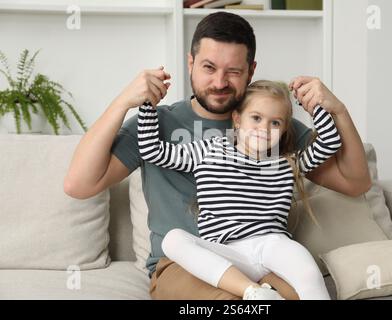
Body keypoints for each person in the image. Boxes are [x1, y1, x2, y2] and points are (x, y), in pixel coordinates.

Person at [64, 12, 371, 299]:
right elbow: (78, 185)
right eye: (209, 67)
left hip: (266, 258)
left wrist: (338, 111)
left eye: (233, 71)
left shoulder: (273, 125)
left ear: (251, 71)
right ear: (191, 63)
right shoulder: (162, 123)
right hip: (183, 265)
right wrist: (123, 102)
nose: (220, 82)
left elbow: (355, 183)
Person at [137, 80, 341, 300]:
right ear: (237, 119)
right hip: (226, 254)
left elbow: (330, 141)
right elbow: (152, 150)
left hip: (272, 246)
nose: (264, 129)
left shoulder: (288, 163)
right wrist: (148, 103)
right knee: (173, 240)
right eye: (256, 118)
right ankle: (253, 292)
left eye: (275, 123)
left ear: (283, 130)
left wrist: (313, 105)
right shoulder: (209, 150)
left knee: (308, 272)